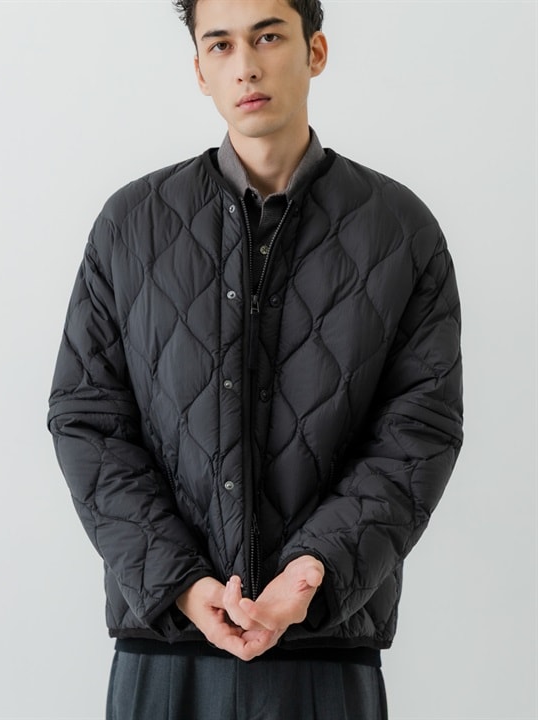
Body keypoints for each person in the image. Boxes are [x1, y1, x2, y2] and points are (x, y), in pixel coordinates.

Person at [47, 0, 464, 717]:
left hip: (324, 649)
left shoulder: (401, 232)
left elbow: (418, 432)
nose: (245, 65)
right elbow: (88, 420)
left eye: (268, 36)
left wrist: (313, 572)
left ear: (315, 51)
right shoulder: (130, 226)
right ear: (199, 70)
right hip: (165, 649)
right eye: (221, 45)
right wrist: (181, 584)